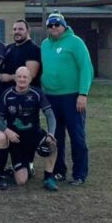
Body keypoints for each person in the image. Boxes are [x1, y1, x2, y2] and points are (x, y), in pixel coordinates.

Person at [41, 11, 94, 186]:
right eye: (50, 25)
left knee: (77, 136)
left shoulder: (76, 43)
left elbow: (86, 68)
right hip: (51, 97)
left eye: (57, 24)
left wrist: (83, 94)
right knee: (56, 137)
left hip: (72, 97)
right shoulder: (44, 45)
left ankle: (79, 174)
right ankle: (58, 171)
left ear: (64, 25)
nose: (54, 28)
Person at [0, 66, 59, 190]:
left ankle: (48, 178)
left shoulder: (37, 93)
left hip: (34, 134)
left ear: (30, 79)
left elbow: (50, 115)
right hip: (16, 139)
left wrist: (51, 134)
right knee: (21, 181)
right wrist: (6, 130)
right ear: (15, 78)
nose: (22, 79)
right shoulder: (7, 94)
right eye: (19, 76)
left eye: (25, 77)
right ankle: (19, 167)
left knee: (53, 144)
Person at [0, 19, 41, 93]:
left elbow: (31, 75)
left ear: (28, 31)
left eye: (20, 29)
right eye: (14, 29)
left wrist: (9, 78)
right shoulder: (9, 47)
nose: (17, 32)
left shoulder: (33, 49)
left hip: (26, 95)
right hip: (8, 93)